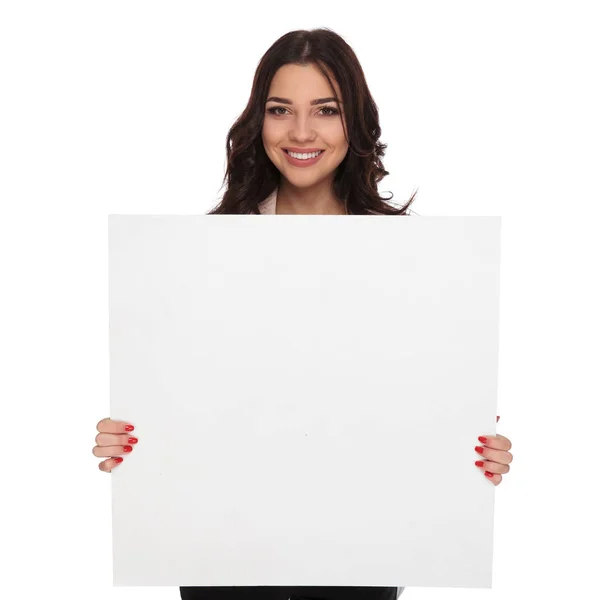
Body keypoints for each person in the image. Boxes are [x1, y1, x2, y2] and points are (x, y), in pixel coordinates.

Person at [93, 27, 514, 600]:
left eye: (326, 109)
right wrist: (136, 445)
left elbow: (427, 404)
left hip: (360, 551)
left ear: (355, 122)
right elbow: (177, 397)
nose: (300, 132)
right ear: (257, 122)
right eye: (279, 109)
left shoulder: (415, 263)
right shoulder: (197, 257)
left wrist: (473, 453)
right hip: (223, 551)